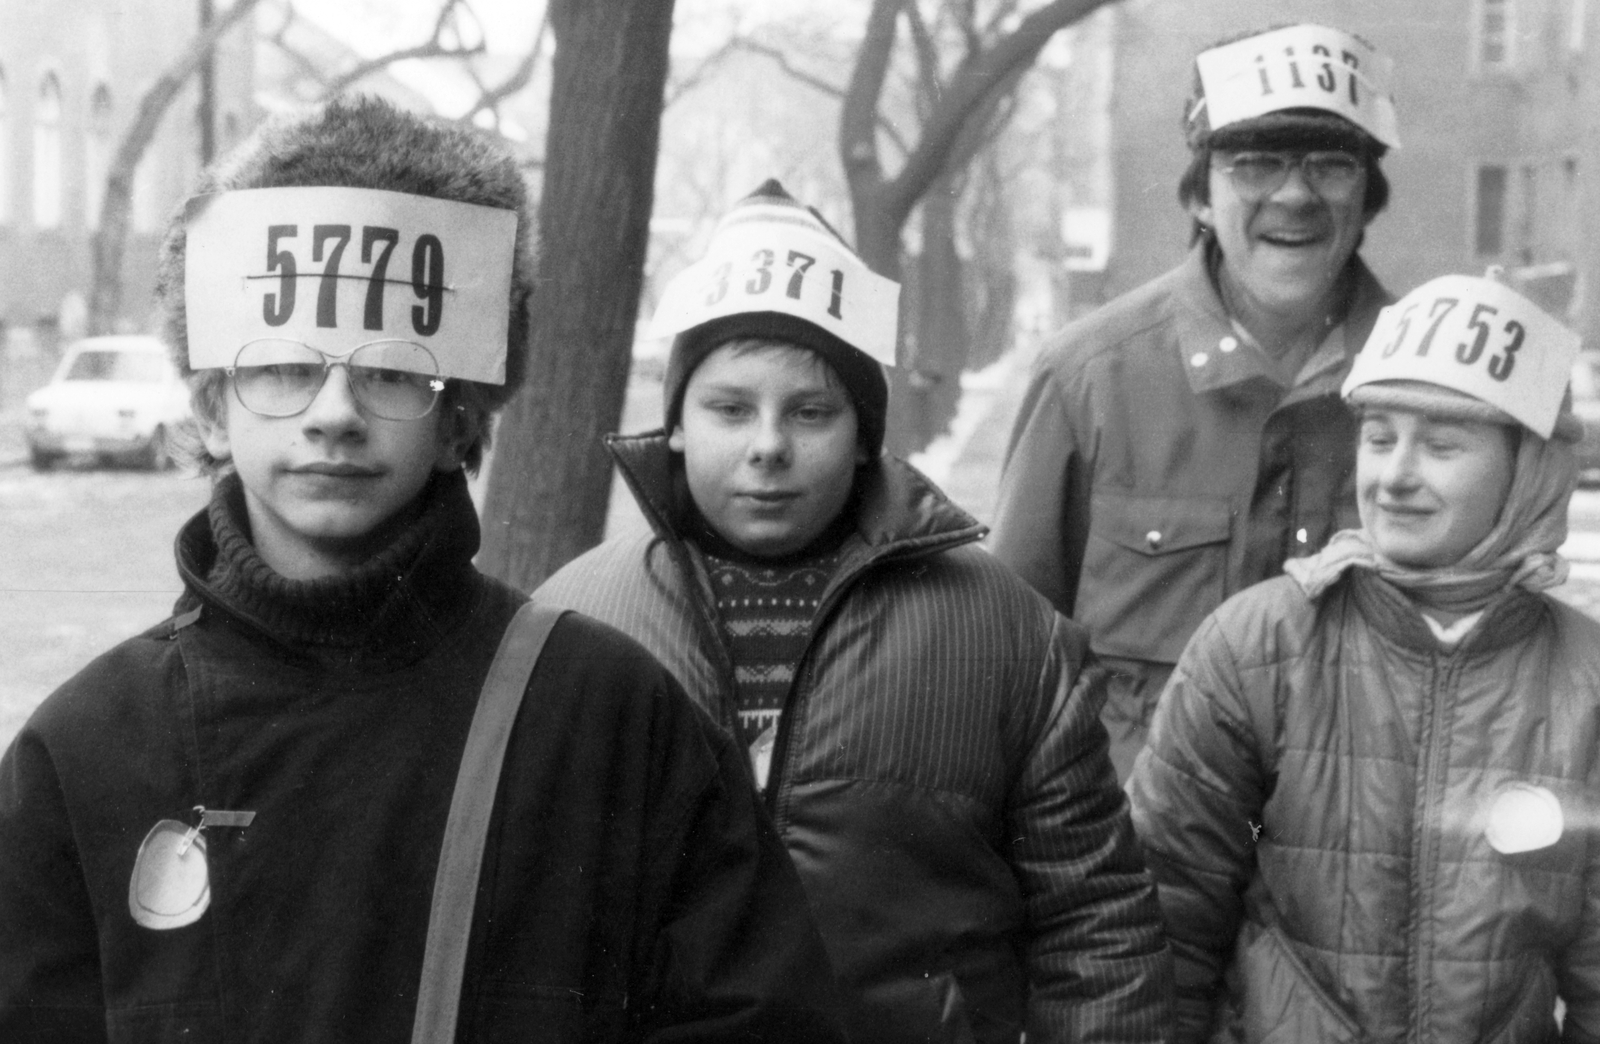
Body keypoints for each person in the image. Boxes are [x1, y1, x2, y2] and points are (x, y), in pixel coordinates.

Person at [0, 97, 848, 1044]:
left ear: (461, 418)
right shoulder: (84, 749)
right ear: (208, 408)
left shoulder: (610, 721)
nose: (334, 411)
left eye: (393, 370)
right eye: (281, 364)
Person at [533, 179, 1172, 1044]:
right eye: (728, 408)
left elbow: (1094, 928)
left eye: (810, 411)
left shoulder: (1003, 632)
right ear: (675, 422)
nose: (768, 445)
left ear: (865, 432)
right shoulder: (570, 621)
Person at [1127, 271, 1600, 1042]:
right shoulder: (1256, 649)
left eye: (1442, 445)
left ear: (1529, 472)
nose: (1395, 477)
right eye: (1379, 439)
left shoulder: (1586, 680)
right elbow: (1161, 928)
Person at [989, 23, 1401, 778]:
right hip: (1131, 869)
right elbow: (1003, 661)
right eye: (1254, 164)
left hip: (1355, 874)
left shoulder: (1425, 387)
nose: (1295, 194)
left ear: (1368, 200)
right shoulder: (1087, 379)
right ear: (1201, 197)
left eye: (1332, 166)